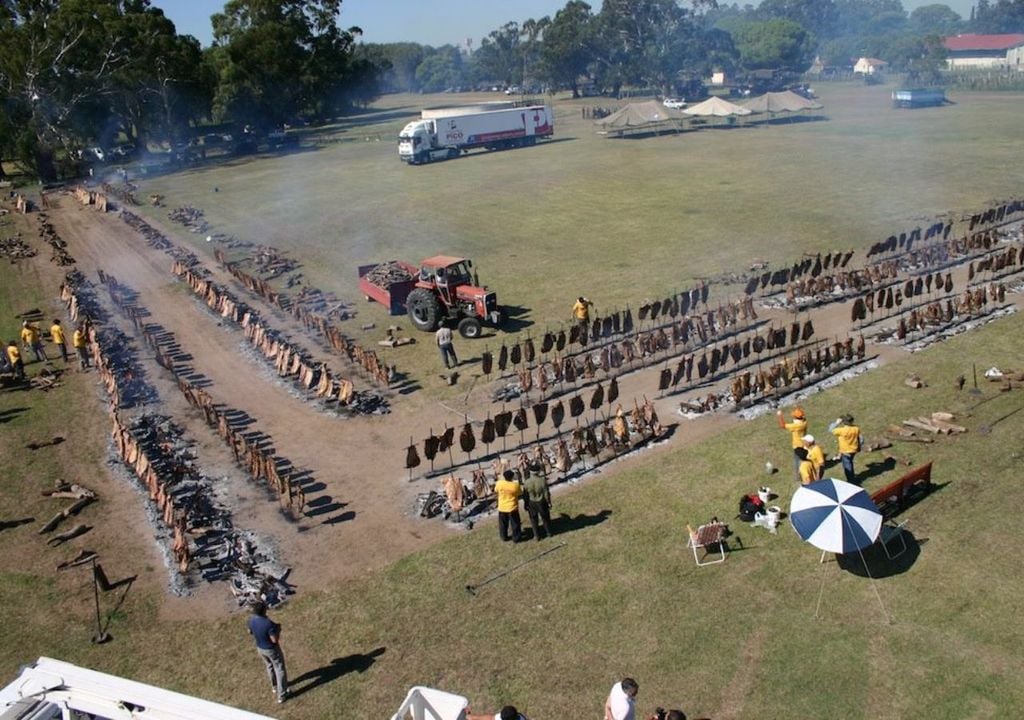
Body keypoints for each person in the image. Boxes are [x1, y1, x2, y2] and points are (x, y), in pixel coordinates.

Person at [247, 601, 289, 703]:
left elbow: (250, 632)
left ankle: (274, 686)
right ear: (264, 610)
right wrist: (278, 630)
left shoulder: (251, 621)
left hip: (260, 649)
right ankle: (282, 695)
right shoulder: (267, 623)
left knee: (269, 666)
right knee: (280, 669)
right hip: (271, 649)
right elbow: (274, 640)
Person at [521, 465, 553, 541]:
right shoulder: (542, 481)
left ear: (530, 472)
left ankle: (536, 536)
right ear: (538, 472)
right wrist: (549, 502)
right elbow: (546, 493)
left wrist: (525, 504)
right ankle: (548, 532)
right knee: (545, 518)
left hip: (531, 502)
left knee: (533, 519)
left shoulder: (527, 482)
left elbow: (525, 495)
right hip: (542, 502)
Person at [775, 407, 807, 480]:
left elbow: (782, 425)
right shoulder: (804, 422)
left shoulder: (796, 426)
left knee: (797, 462)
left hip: (798, 446)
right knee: (804, 460)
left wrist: (780, 415)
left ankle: (798, 476)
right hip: (804, 444)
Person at [829, 414, 862, 484]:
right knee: (850, 463)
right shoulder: (856, 428)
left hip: (845, 451)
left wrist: (837, 423)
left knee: (847, 466)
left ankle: (851, 481)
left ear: (844, 422)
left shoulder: (842, 430)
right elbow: (858, 438)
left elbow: (830, 429)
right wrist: (859, 446)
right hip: (854, 449)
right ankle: (852, 478)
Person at [494, 469, 522, 543]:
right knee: (515, 523)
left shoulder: (499, 483)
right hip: (512, 507)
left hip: (502, 507)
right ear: (512, 477)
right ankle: (516, 538)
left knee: (503, 524)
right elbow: (520, 493)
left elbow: (496, 490)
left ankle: (504, 536)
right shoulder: (515, 485)